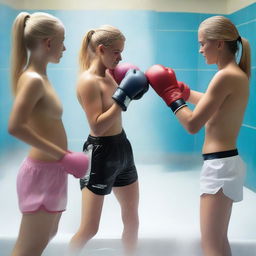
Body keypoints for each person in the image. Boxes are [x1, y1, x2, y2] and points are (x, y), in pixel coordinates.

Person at [146, 15, 251, 256]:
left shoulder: (225, 76)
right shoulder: (235, 74)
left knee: (211, 248)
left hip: (220, 167)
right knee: (219, 242)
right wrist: (184, 91)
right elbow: (213, 104)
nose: (201, 49)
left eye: (203, 43)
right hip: (225, 163)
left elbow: (193, 124)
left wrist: (171, 96)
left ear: (220, 44)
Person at [8, 12, 89, 256]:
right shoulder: (33, 79)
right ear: (48, 42)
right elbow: (16, 126)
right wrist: (62, 155)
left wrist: (63, 156)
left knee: (46, 237)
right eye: (62, 40)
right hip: (41, 174)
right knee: (28, 248)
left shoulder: (41, 77)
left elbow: (44, 125)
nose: (64, 47)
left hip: (53, 170)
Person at [68, 25, 148, 256]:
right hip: (100, 153)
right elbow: (97, 124)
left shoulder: (111, 75)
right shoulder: (88, 81)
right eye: (116, 52)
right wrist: (123, 98)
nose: (121, 57)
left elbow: (115, 111)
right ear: (101, 49)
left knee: (132, 220)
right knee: (89, 228)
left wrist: (132, 90)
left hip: (123, 148)